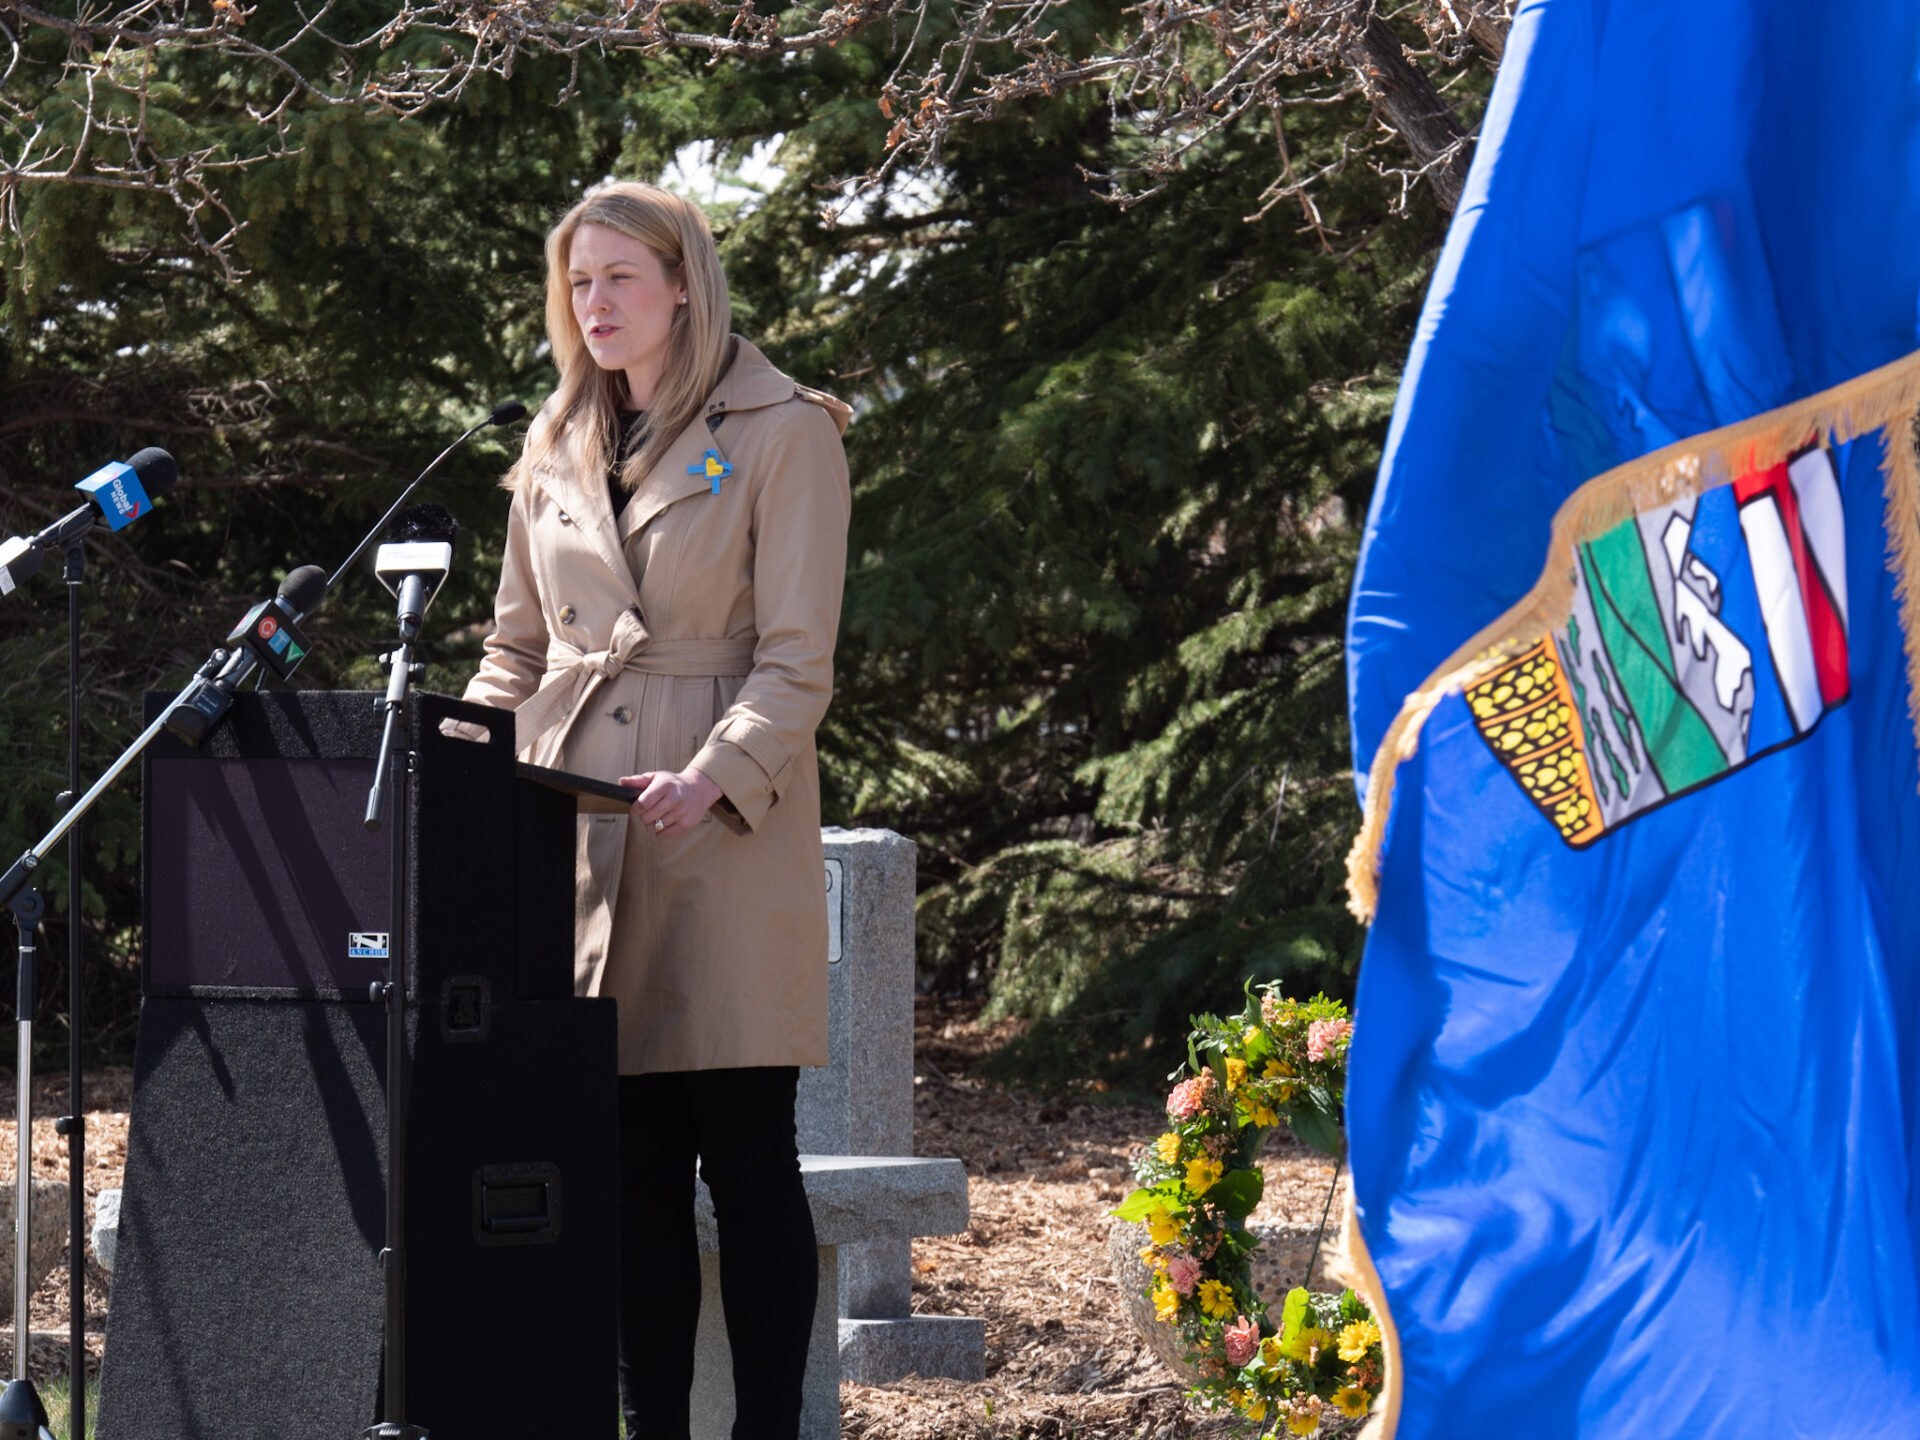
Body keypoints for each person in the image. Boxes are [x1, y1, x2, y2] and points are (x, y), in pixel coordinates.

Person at [460, 181, 851, 1440]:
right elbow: (514, 653)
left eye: (621, 278)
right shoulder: (556, 440)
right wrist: (453, 765)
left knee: (743, 1160)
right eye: (579, 284)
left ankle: (768, 1433)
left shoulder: (786, 431)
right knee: (626, 1170)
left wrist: (720, 771)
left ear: (685, 283)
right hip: (580, 831)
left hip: (720, 829)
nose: (596, 304)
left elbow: (800, 660)